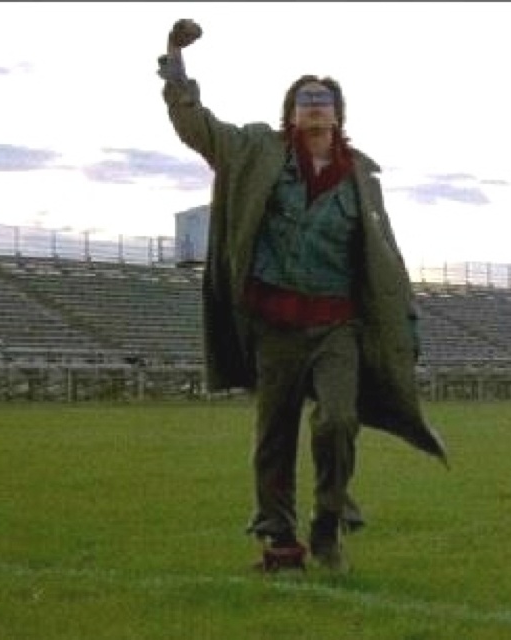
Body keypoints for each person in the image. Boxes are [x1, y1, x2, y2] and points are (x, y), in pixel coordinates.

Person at [158, 19, 447, 572]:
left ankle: (328, 522)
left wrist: (407, 325)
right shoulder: (255, 152)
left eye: (324, 100)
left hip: (337, 327)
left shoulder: (362, 178)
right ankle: (281, 544)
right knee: (274, 437)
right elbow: (195, 125)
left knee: (338, 421)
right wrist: (175, 60)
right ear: (290, 112)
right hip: (274, 327)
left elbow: (386, 258)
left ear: (338, 114)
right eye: (305, 99)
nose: (315, 107)